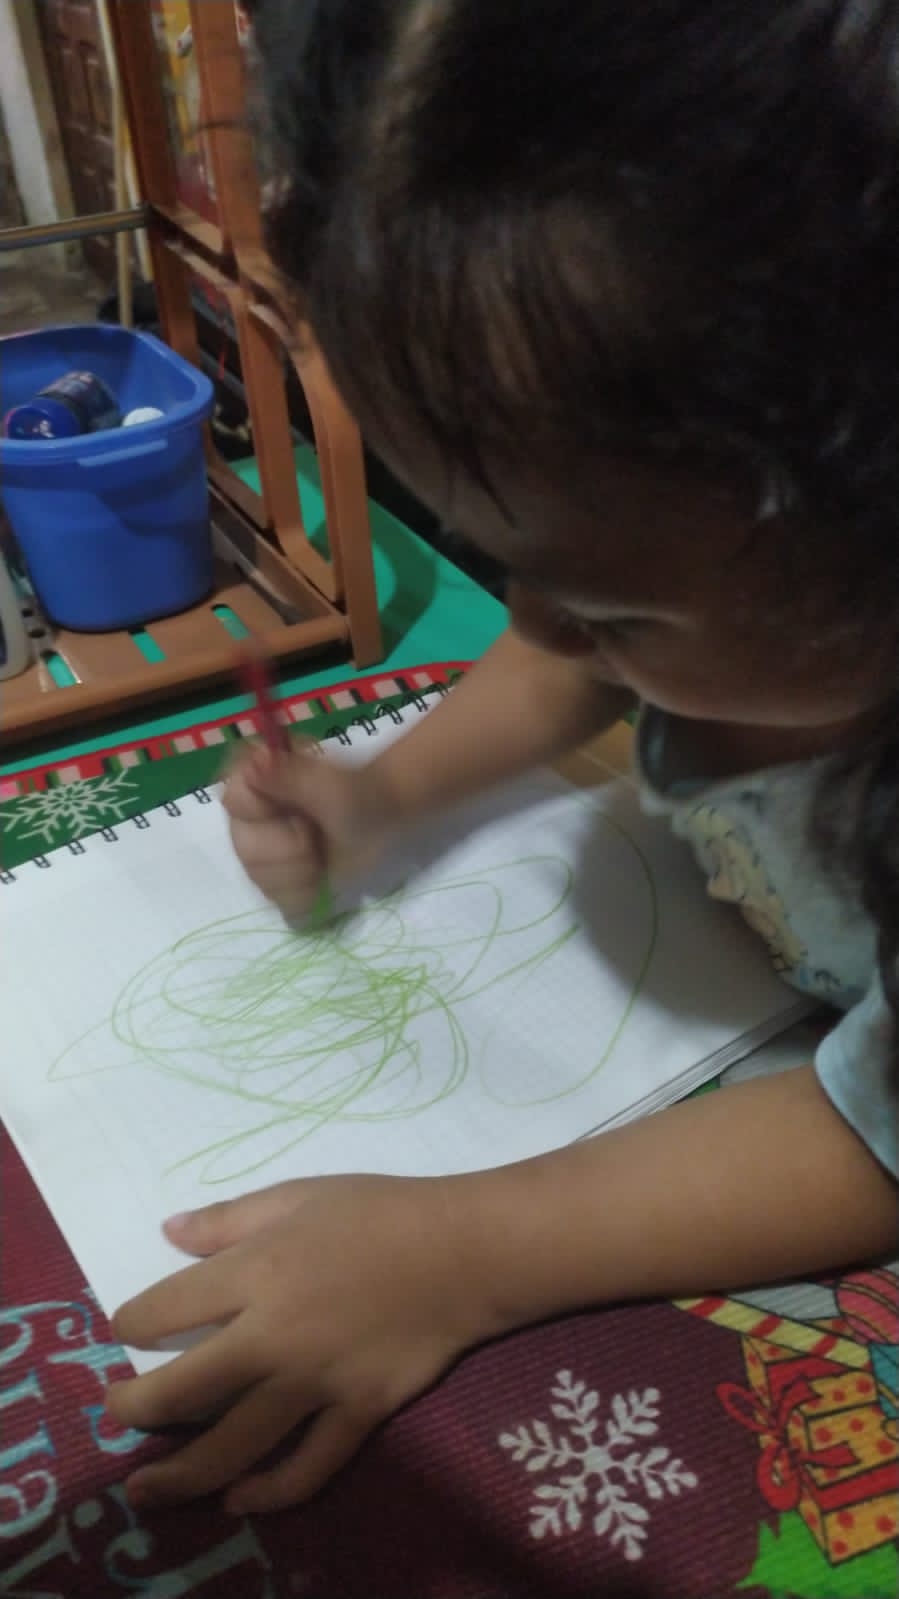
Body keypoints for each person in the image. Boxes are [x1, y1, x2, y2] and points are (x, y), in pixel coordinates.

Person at [106, 0, 899, 1515]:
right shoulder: (691, 573)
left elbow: (878, 1128)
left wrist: (459, 1250)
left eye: (615, 609)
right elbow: (562, 646)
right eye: (502, 554)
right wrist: (383, 795)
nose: (536, 620)